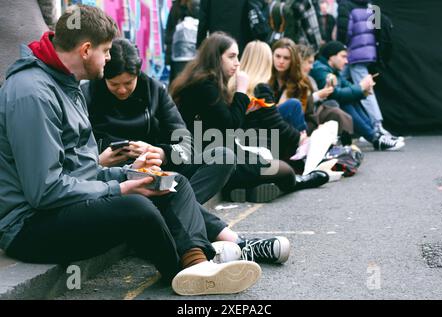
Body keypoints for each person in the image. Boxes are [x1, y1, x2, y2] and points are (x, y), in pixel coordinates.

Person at [0, 5, 263, 296]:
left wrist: (130, 174)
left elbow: (82, 170)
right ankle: (182, 270)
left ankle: (199, 263)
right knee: (136, 206)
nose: (110, 58)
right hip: (29, 226)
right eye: (107, 50)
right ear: (86, 50)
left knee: (170, 181)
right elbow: (45, 191)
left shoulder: (66, 83)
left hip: (64, 205)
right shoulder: (32, 92)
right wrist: (120, 188)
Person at [82, 37, 290, 264]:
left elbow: (185, 142)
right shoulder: (87, 95)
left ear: (138, 75)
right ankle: (241, 244)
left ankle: (171, 224)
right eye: (114, 84)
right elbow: (76, 157)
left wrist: (161, 152)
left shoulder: (154, 90)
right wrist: (101, 159)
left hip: (161, 172)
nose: (122, 90)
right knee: (169, 190)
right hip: (116, 180)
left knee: (222, 156)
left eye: (128, 83)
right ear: (103, 76)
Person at [170, 32, 329, 203]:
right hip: (211, 159)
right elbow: (230, 126)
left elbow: (220, 122)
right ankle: (294, 182)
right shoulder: (205, 85)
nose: (237, 63)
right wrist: (241, 91)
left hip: (215, 153)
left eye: (238, 56)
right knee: (284, 171)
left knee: (269, 163)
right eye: (231, 57)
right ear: (216, 58)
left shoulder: (203, 81)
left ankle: (246, 186)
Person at [310, 41, 405, 151]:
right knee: (345, 101)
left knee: (350, 98)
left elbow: (348, 87)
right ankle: (375, 138)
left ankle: (376, 135)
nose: (346, 61)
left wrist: (363, 90)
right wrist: (360, 87)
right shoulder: (320, 69)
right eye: (343, 56)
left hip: (325, 107)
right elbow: (335, 95)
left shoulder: (332, 70)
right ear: (331, 56)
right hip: (317, 110)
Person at [337, 0, 402, 140]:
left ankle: (377, 126)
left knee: (364, 90)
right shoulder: (372, 6)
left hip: (353, 54)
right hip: (367, 53)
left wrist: (341, 48)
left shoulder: (345, 5)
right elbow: (378, 31)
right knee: (341, 84)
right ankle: (368, 127)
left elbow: (344, 31)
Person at [297, 44, 354, 145]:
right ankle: (374, 135)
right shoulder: (286, 79)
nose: (311, 66)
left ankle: (346, 146)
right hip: (300, 122)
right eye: (309, 62)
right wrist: (317, 96)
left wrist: (323, 93)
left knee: (336, 108)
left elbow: (348, 88)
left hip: (310, 115)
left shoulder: (309, 78)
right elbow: (296, 104)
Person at [165, 0, 200, 82]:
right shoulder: (176, 7)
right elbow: (169, 32)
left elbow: (169, 33)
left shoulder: (195, 6)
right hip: (181, 55)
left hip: (188, 55)